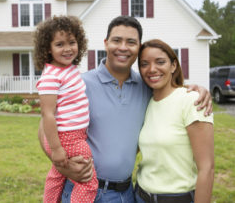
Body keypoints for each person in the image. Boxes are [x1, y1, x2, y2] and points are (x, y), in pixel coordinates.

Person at [38, 16, 213, 203]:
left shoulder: (146, 88)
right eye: (116, 40)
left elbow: (169, 91)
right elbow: (44, 128)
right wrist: (63, 166)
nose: (123, 47)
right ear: (106, 43)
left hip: (126, 194)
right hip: (83, 189)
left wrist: (194, 89)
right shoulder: (81, 83)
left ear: (138, 48)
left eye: (131, 42)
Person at [135, 39, 214, 203]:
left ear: (173, 65)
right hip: (140, 195)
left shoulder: (192, 101)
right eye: (144, 64)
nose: (152, 69)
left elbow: (207, 169)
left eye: (160, 62)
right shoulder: (146, 102)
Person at [34, 15, 98, 202]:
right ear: (48, 48)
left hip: (70, 137)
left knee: (57, 176)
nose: (68, 48)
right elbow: (47, 114)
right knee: (88, 182)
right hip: (67, 138)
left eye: (72, 42)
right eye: (60, 44)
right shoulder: (50, 77)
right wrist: (56, 149)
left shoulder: (68, 69)